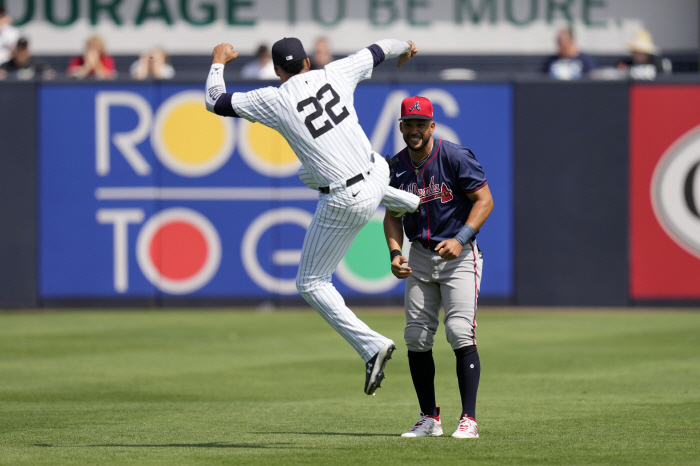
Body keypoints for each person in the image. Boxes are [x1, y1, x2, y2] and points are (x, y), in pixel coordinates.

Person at [205, 38, 421, 395]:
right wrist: (407, 47)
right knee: (309, 173)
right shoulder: (334, 72)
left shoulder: (273, 98)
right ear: (307, 62)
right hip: (376, 171)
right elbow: (379, 48)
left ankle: (371, 346)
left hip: (347, 196)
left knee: (311, 283)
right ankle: (419, 203)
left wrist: (218, 62)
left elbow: (215, 101)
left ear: (277, 71)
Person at [383, 96, 493, 438]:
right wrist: (394, 252)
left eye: (420, 124)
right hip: (418, 253)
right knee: (415, 337)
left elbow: (484, 200)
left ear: (432, 126)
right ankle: (429, 418)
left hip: (459, 255)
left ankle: (469, 420)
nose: (414, 130)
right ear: (400, 126)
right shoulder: (395, 166)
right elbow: (391, 215)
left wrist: (461, 238)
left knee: (460, 332)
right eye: (408, 124)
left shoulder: (454, 156)